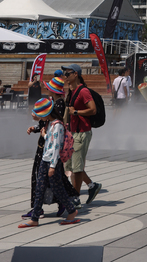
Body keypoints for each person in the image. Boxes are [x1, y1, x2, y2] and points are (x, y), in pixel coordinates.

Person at [18, 98, 81, 228]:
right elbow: (51, 141)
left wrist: (52, 166)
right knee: (39, 190)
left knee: (58, 189)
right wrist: (45, 135)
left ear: (47, 114)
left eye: (41, 115)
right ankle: (35, 218)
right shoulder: (50, 124)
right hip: (45, 160)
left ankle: (72, 210)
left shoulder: (57, 125)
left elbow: (57, 146)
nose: (40, 118)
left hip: (53, 162)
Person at [62, 63, 102, 204]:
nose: (65, 76)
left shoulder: (83, 91)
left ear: (75, 74)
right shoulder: (72, 91)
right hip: (72, 132)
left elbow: (93, 110)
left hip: (82, 132)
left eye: (68, 74)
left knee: (77, 168)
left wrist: (77, 112)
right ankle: (92, 186)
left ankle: (76, 198)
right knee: (71, 166)